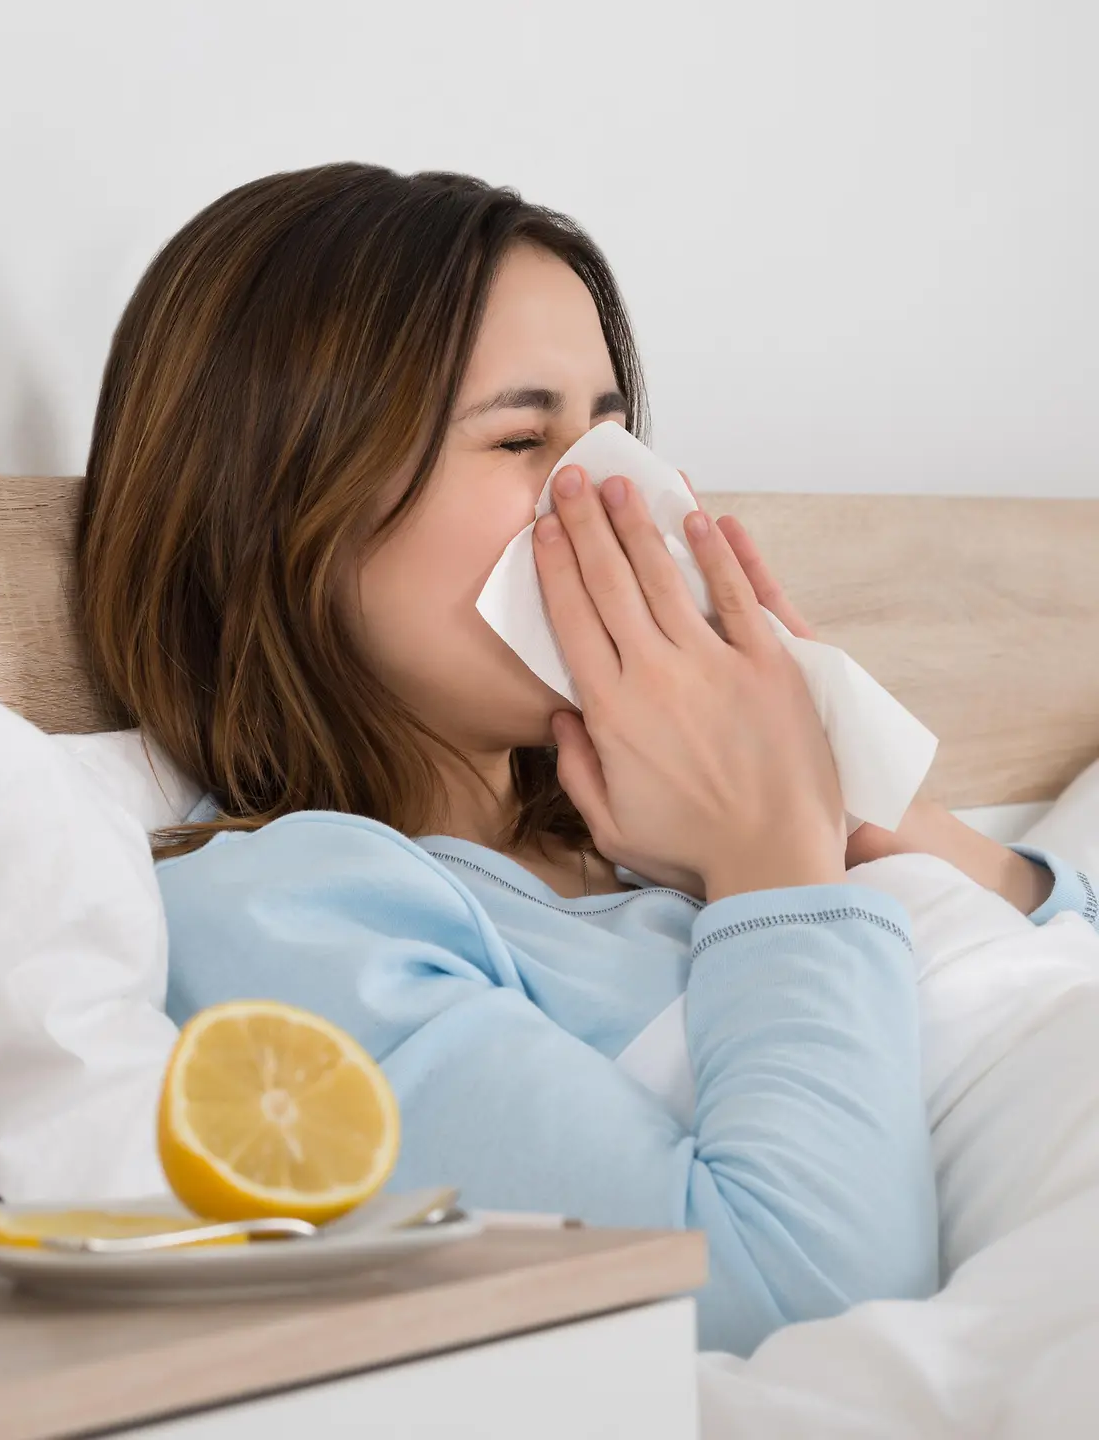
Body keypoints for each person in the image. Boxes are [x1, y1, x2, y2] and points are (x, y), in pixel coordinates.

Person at [74, 163, 1097, 1355]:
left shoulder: (647, 822)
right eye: (524, 437)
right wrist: (776, 863)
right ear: (277, 508)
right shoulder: (290, 918)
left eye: (613, 435)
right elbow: (803, 1302)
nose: (620, 498)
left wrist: (854, 798)